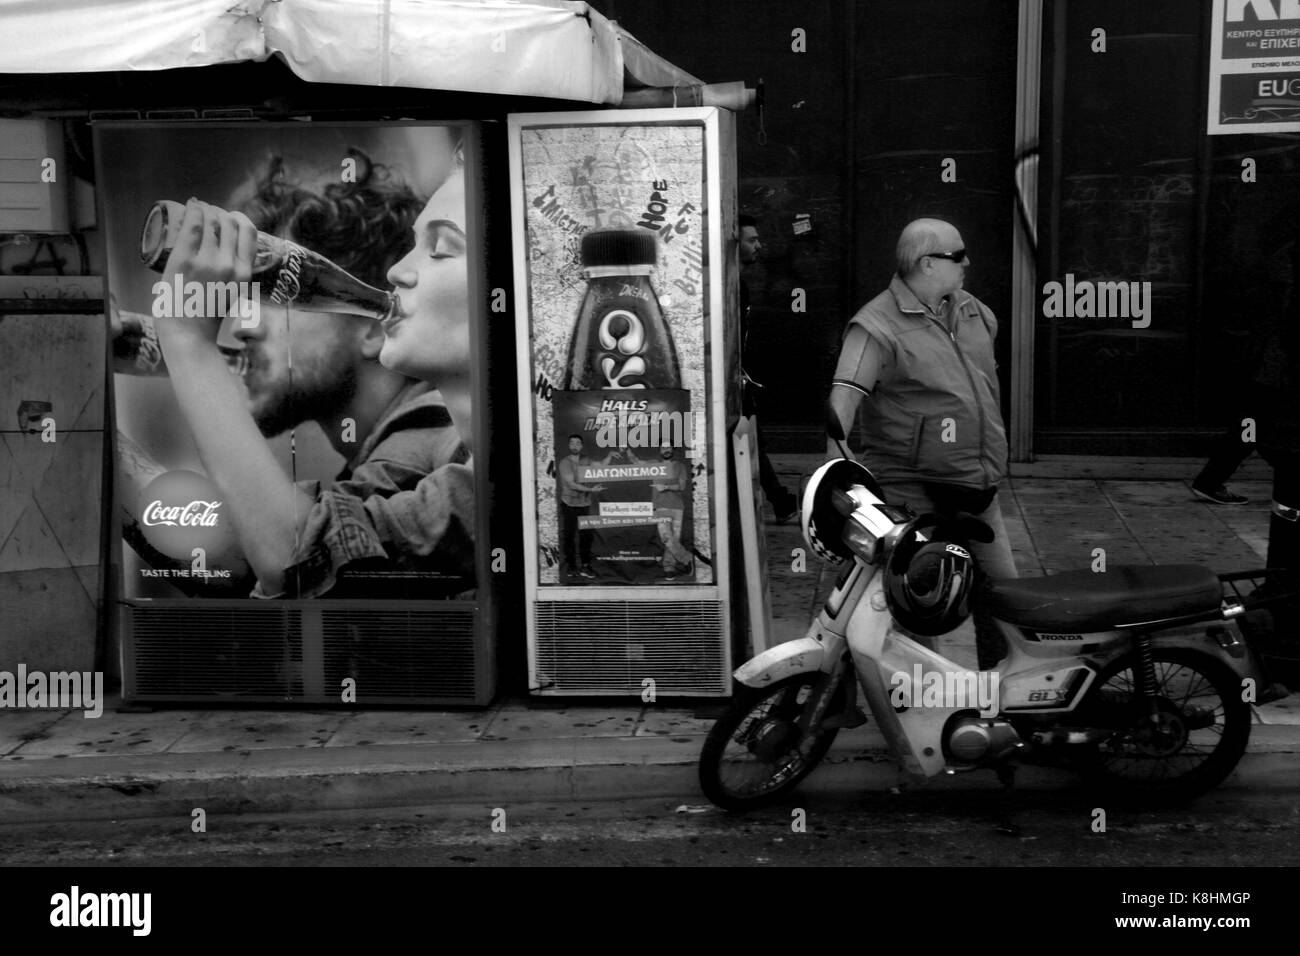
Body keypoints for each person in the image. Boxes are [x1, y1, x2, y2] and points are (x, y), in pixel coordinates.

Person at [116, 150, 469, 598]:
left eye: (272, 297)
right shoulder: (394, 449)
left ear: (372, 319)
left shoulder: (430, 430)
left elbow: (290, 558)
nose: (242, 325)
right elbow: (240, 555)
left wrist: (190, 341)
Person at [827, 218, 1015, 667]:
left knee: (1005, 596)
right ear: (927, 263)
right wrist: (837, 473)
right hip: (912, 490)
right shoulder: (875, 325)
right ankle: (922, 710)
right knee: (917, 597)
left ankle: (1004, 696)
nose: (967, 262)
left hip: (975, 484)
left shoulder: (974, 312)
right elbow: (844, 398)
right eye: (958, 255)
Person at [738, 213, 799, 522]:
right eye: (752, 240)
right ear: (734, 242)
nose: (759, 245)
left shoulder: (739, 286)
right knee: (750, 440)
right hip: (733, 379)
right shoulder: (732, 287)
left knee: (752, 439)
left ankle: (781, 501)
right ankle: (781, 501)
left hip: (738, 377)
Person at [557, 434, 605, 581]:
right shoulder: (565, 462)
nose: (575, 446)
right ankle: (571, 566)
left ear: (582, 446)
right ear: (569, 446)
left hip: (585, 504)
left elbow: (601, 466)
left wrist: (609, 455)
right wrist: (592, 490)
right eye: (572, 443)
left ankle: (585, 566)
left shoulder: (586, 459)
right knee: (570, 536)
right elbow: (571, 484)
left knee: (586, 536)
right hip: (569, 504)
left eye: (578, 443)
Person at [651, 440, 694, 578]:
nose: (666, 450)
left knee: (673, 539)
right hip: (660, 506)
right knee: (666, 538)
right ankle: (687, 559)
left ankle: (669, 567)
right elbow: (636, 461)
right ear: (659, 450)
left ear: (672, 449)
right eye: (663, 448)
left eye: (668, 447)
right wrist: (626, 450)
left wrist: (666, 487)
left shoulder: (680, 466)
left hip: (677, 507)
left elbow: (681, 486)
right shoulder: (654, 466)